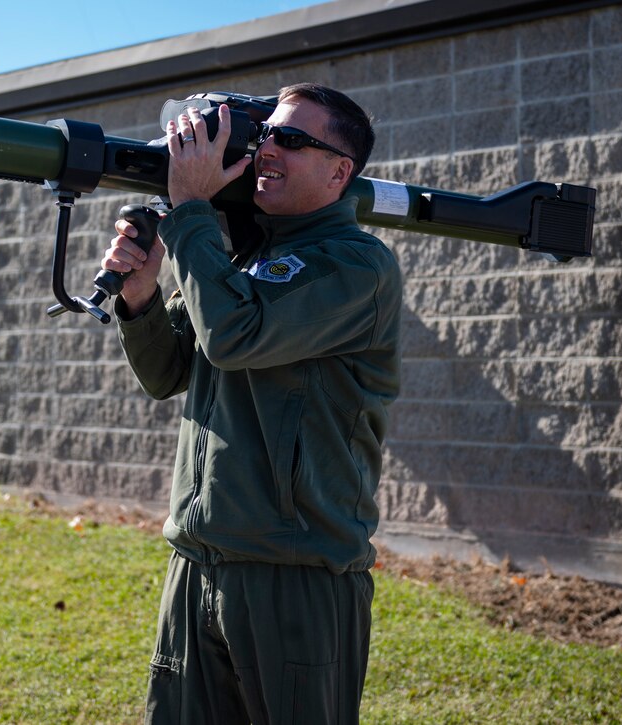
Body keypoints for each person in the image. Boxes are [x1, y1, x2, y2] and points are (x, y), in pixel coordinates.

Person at [101, 83, 401, 724]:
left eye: (291, 139)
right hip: (198, 560)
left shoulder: (356, 265)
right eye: (266, 134)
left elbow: (236, 336)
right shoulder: (240, 256)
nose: (268, 148)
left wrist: (189, 213)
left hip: (293, 577)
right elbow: (168, 371)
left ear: (338, 171)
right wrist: (142, 297)